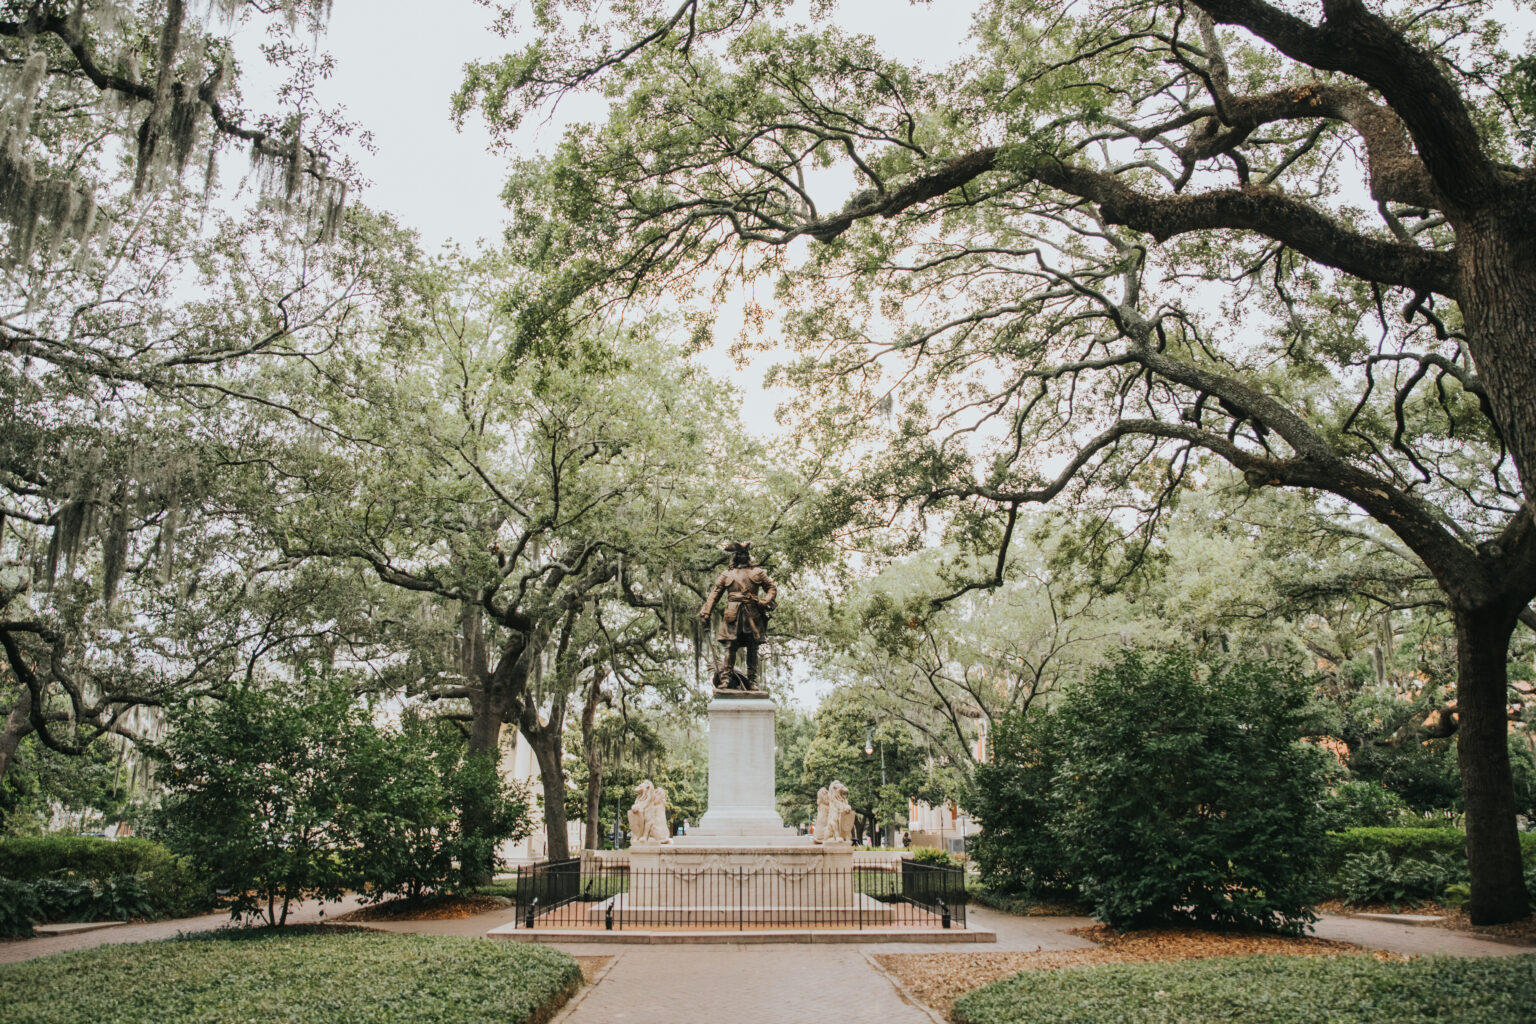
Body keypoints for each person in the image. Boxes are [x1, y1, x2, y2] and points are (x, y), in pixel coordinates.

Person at [698, 540, 777, 690]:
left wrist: (764, 601)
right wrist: (706, 611)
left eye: (744, 553)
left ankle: (752, 681)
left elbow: (772, 588)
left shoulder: (757, 572)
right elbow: (715, 593)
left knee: (752, 648)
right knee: (730, 647)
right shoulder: (727, 574)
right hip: (733, 614)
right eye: (739, 554)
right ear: (735, 556)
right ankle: (726, 679)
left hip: (752, 614)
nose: (742, 556)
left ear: (748, 556)